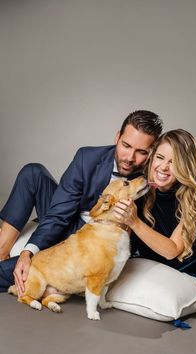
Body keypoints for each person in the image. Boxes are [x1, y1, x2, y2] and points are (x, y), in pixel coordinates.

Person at [0, 110, 163, 296]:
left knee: (9, 271)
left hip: (91, 244)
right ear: (117, 137)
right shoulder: (87, 157)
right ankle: (2, 251)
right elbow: (58, 214)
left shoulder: (153, 179)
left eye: (141, 152)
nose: (130, 157)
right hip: (68, 222)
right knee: (33, 173)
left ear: (152, 152)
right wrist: (27, 252)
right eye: (126, 145)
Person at [114, 129, 196, 309]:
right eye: (160, 157)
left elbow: (174, 249)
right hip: (178, 269)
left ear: (185, 166)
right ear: (152, 157)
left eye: (174, 162)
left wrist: (134, 221)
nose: (163, 167)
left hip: (195, 253)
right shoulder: (137, 188)